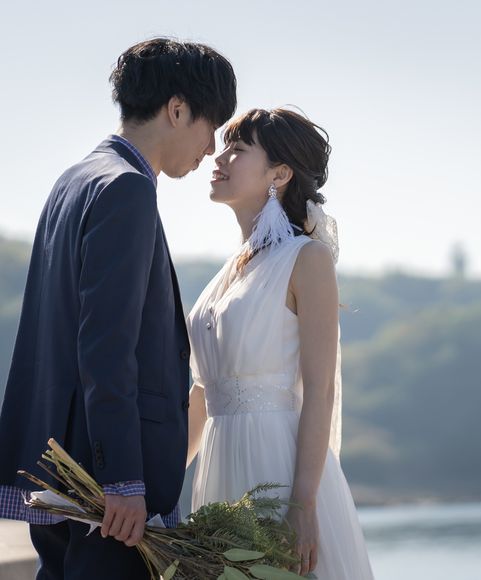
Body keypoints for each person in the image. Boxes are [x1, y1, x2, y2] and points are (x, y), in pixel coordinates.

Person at [0, 38, 236, 579]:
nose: (210, 149)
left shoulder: (73, 180)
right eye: (211, 127)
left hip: (57, 466)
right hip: (103, 490)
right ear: (178, 109)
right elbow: (106, 345)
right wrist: (123, 479)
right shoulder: (127, 188)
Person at [186, 108, 375, 578]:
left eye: (237, 149)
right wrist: (152, 489)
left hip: (280, 474)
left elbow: (320, 391)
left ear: (280, 174)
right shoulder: (227, 274)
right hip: (219, 472)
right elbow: (202, 396)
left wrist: (303, 504)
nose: (219, 158)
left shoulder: (307, 259)